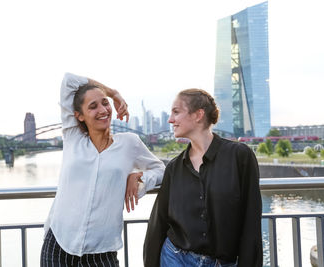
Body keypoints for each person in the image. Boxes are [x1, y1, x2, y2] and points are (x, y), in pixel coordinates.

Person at [40, 73, 165, 266]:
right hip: (59, 245)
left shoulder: (129, 143)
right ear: (79, 116)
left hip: (102, 252)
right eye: (93, 106)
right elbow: (69, 80)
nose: (103, 110)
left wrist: (140, 177)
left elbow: (161, 170)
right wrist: (113, 93)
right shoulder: (73, 137)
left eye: (105, 103)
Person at [143, 89, 262, 267]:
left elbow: (251, 220)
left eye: (176, 112)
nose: (170, 120)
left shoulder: (239, 156)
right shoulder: (174, 168)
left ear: (198, 115)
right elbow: (158, 223)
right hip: (174, 259)